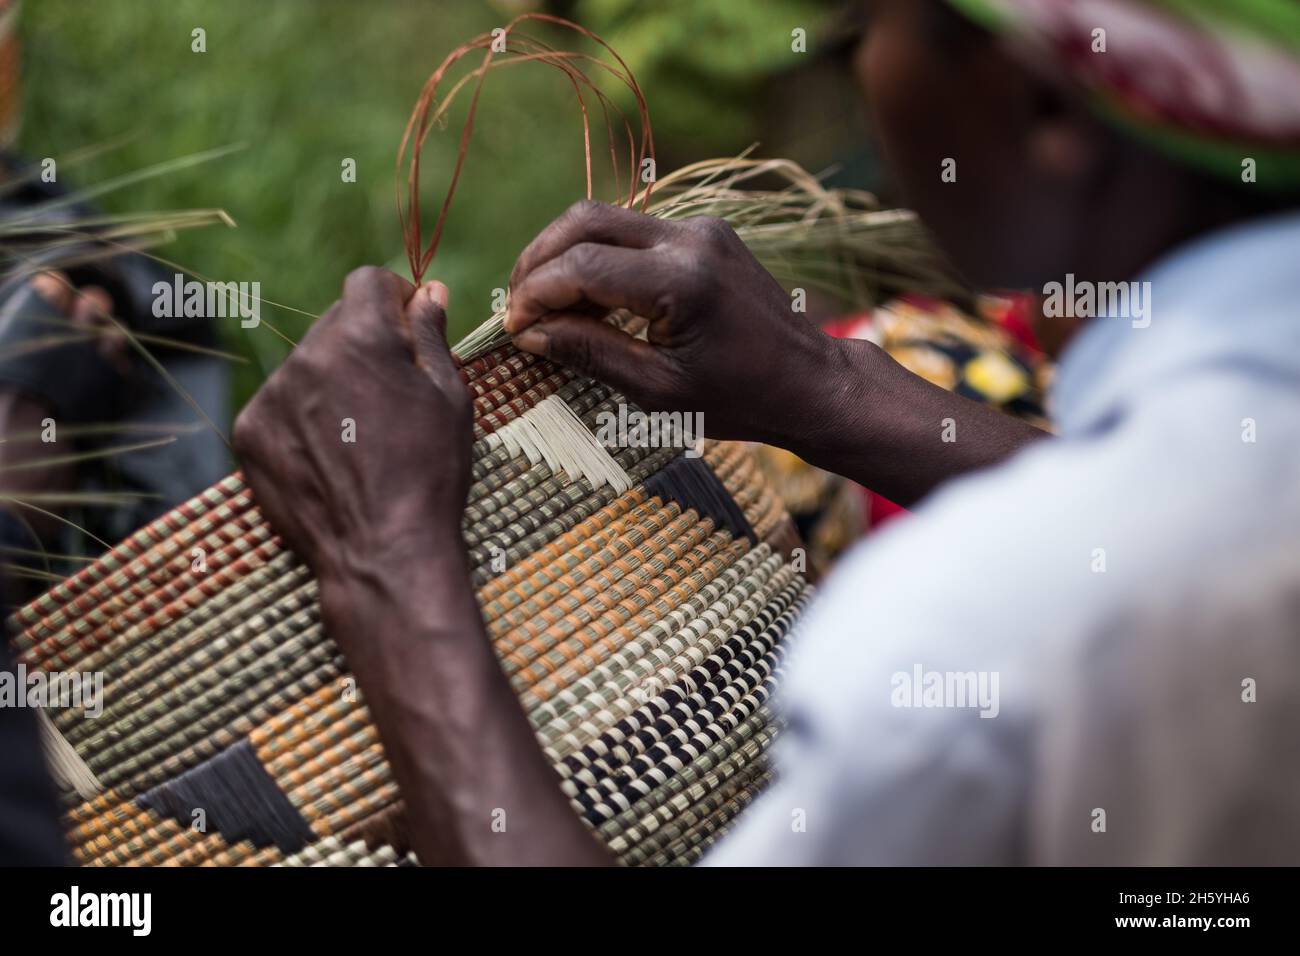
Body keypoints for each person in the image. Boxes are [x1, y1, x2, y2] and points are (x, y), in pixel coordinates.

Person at [233, 0, 1300, 865]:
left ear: (1041, 109)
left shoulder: (960, 641)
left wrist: (385, 562)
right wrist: (826, 383)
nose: (858, 76)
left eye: (862, 30)